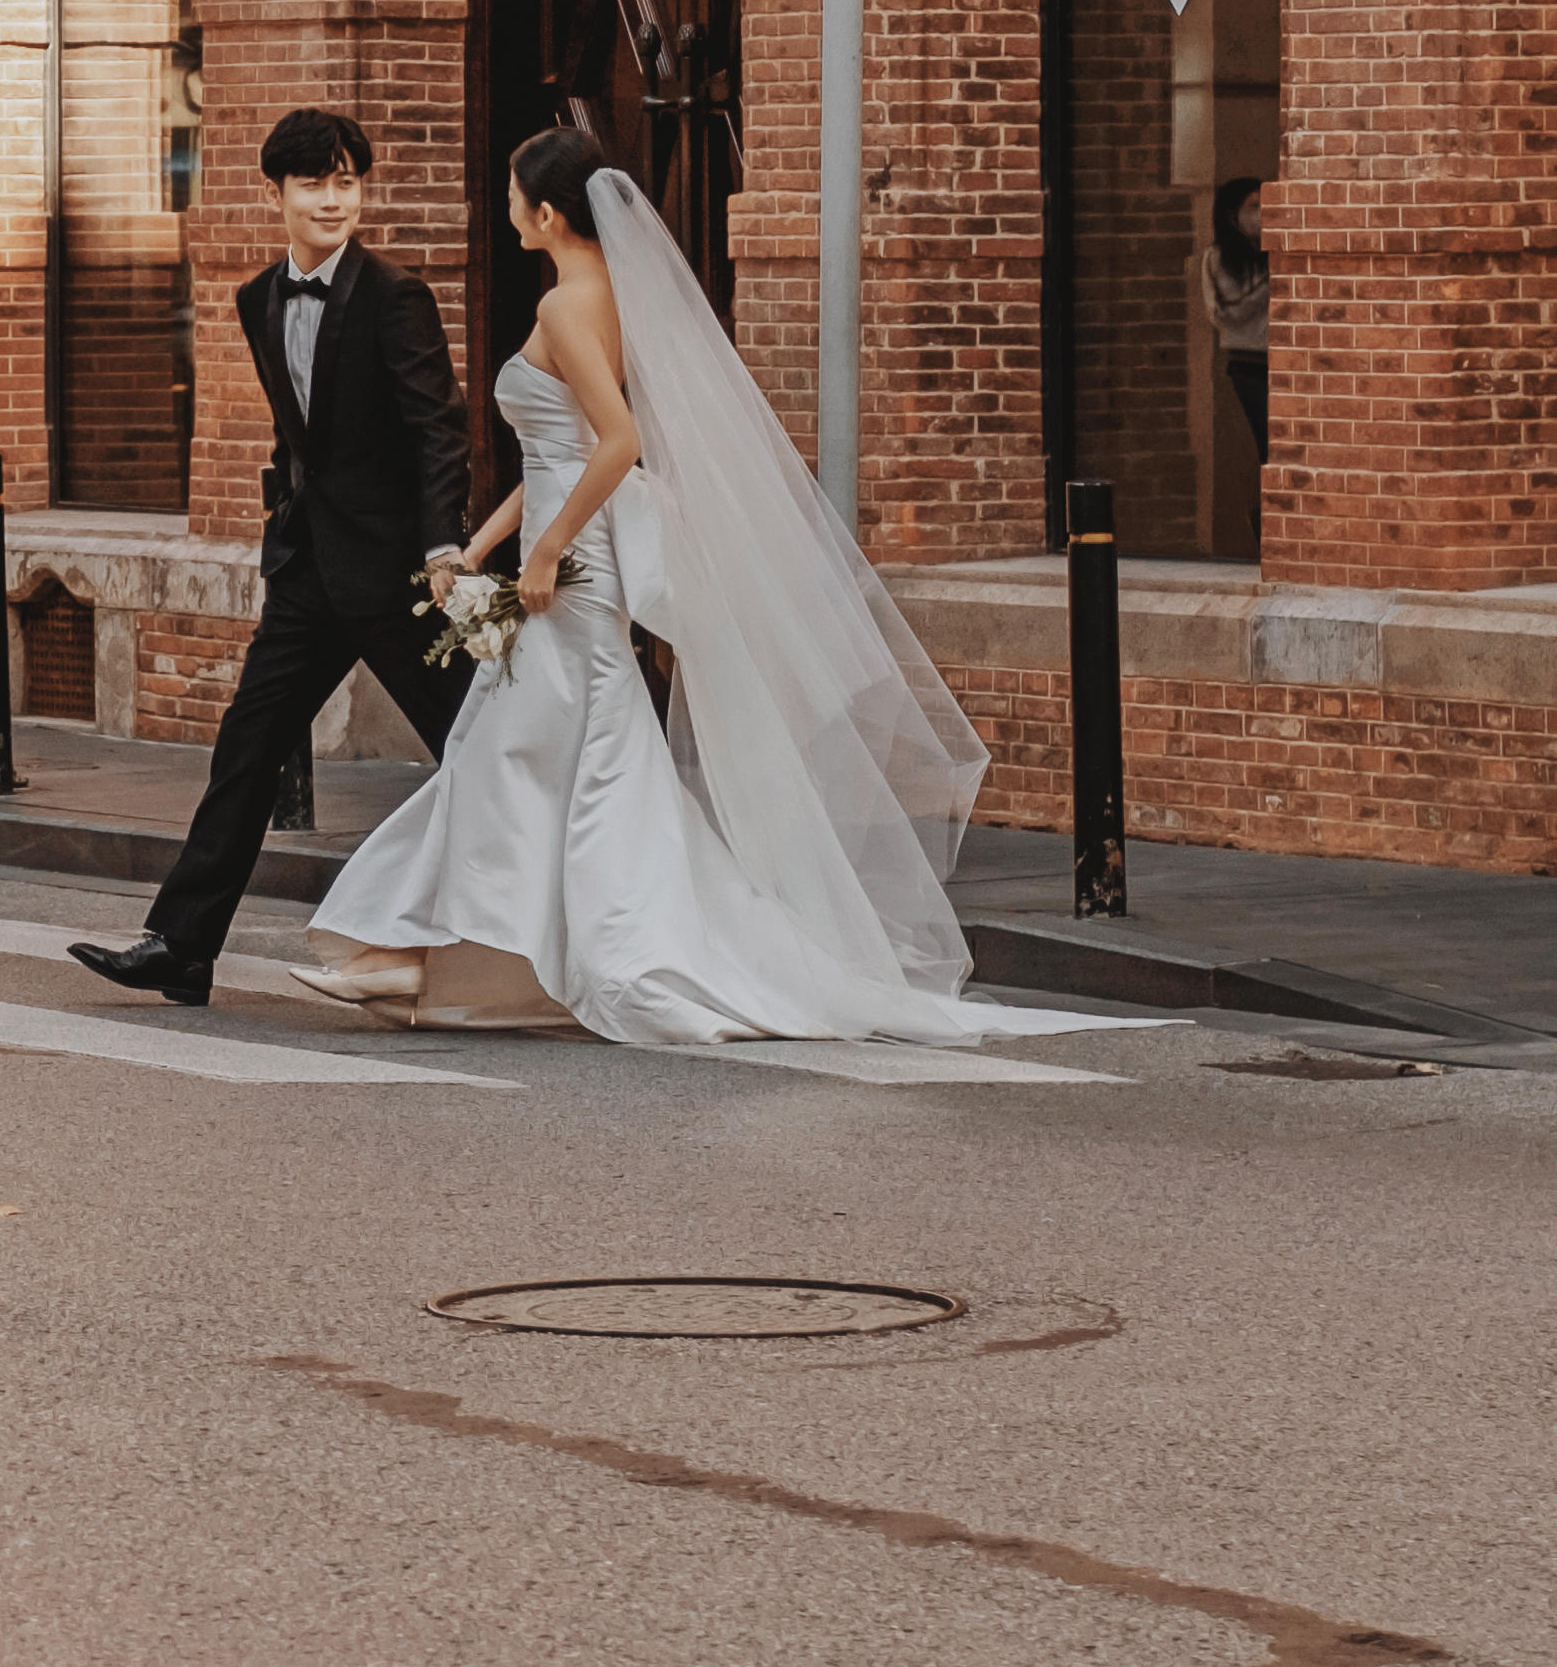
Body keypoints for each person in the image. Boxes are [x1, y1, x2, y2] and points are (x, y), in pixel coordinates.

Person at [278, 134, 1022, 1046]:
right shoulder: (607, 299)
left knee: (505, 748)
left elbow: (619, 441)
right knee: (562, 758)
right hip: (575, 555)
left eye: (512, 193)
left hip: (579, 573)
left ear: (546, 214)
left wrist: (545, 552)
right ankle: (445, 950)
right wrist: (481, 544)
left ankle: (433, 946)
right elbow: (555, 451)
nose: (506, 206)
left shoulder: (563, 306)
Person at [70, 110, 475, 1007]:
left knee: (478, 748)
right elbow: (305, 437)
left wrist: (444, 541)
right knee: (246, 748)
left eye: (346, 182)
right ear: (278, 194)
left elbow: (437, 428)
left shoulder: (394, 295)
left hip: (401, 578)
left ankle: (534, 933)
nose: (333, 199)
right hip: (308, 577)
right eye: (314, 183)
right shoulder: (257, 299)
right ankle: (179, 946)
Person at [1201, 173, 1271, 474]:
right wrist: (1273, 280)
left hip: (1281, 360)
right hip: (1248, 362)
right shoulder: (1218, 259)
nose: (1260, 214)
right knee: (1266, 443)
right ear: (1233, 213)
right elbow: (1227, 314)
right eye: (1253, 206)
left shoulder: (1273, 256)